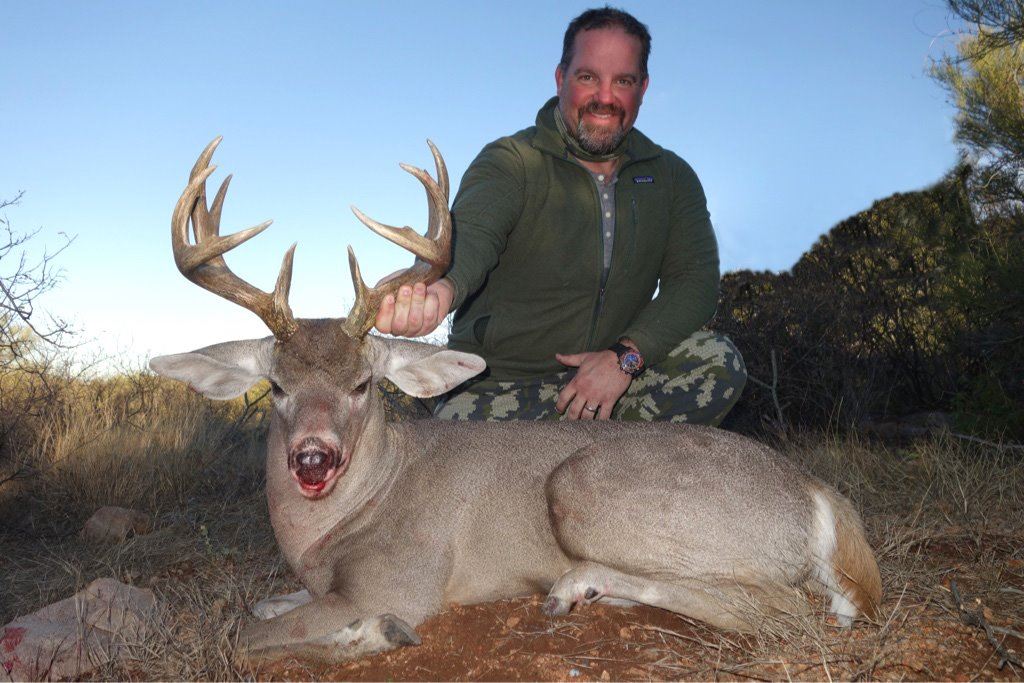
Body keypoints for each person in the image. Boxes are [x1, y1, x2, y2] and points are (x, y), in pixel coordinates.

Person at [376, 7, 746, 424]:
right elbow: (474, 237)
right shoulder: (510, 161)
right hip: (499, 390)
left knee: (716, 362)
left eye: (622, 81)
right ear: (561, 78)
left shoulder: (672, 177)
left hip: (606, 382)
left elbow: (694, 283)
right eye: (588, 77)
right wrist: (442, 291)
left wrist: (624, 358)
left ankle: (610, 478)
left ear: (643, 88)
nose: (604, 98)